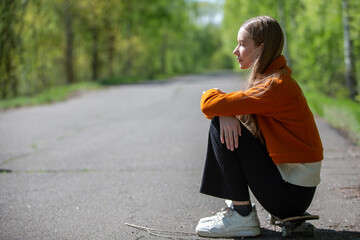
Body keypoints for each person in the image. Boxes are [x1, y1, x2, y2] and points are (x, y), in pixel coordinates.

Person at [195, 16, 323, 238]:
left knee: (219, 121)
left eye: (243, 44)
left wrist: (214, 95)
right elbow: (229, 106)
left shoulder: (275, 86)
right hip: (293, 191)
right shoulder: (274, 80)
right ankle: (239, 210)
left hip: (289, 196)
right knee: (225, 117)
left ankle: (241, 215)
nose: (236, 51)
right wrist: (228, 113)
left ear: (261, 48)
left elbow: (209, 105)